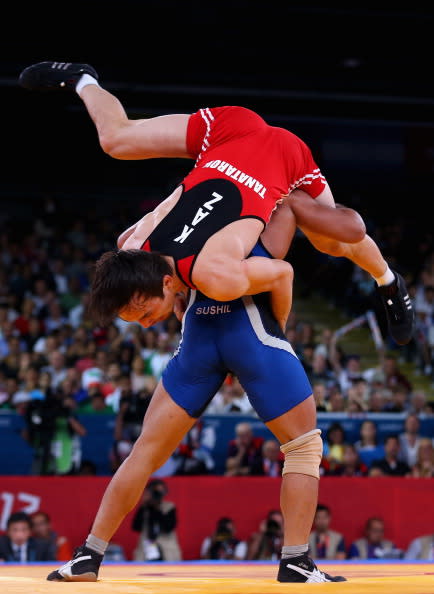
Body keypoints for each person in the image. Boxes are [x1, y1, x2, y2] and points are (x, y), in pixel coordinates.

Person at [19, 61, 415, 347]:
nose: (145, 324)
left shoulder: (213, 275)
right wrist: (171, 293)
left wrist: (273, 337)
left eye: (142, 314)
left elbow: (281, 272)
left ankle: (388, 281)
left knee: (335, 241)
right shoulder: (132, 246)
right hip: (232, 143)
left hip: (274, 154)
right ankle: (82, 78)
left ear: (161, 282)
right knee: (116, 142)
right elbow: (129, 238)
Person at [131, 479, 182, 562]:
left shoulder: (169, 507)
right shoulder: (145, 508)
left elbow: (169, 527)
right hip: (146, 547)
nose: (157, 495)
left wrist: (157, 509)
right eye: (155, 492)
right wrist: (143, 505)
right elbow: (136, 527)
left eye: (159, 492)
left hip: (167, 547)